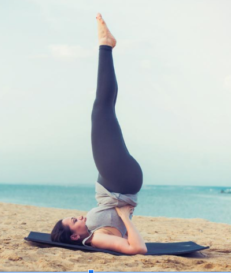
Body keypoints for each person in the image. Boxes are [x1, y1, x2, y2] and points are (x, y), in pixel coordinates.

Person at [51, 13, 147, 255]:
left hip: (117, 182)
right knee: (101, 111)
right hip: (119, 183)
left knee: (105, 110)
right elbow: (138, 248)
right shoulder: (96, 239)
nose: (79, 217)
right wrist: (126, 218)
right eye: (75, 220)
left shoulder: (93, 230)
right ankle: (105, 45)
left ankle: (106, 46)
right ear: (75, 235)